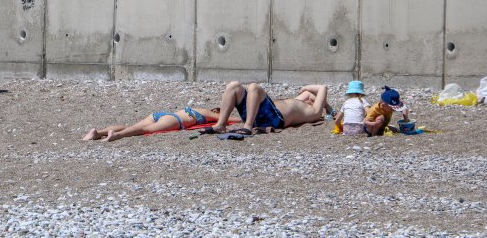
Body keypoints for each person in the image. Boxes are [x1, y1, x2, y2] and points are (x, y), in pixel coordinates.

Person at [201, 82, 332, 135]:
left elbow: (322, 88)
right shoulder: (302, 102)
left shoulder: (314, 111)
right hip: (260, 113)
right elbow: (308, 94)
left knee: (254, 87)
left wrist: (327, 107)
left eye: (315, 98)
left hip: (275, 119)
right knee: (234, 86)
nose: (310, 97)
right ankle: (220, 125)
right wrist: (307, 92)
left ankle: (247, 127)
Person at [82, 106, 243, 142]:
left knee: (131, 126)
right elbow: (231, 120)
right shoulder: (206, 113)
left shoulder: (192, 108)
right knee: (144, 130)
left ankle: (98, 132)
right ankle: (115, 135)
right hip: (175, 120)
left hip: (160, 114)